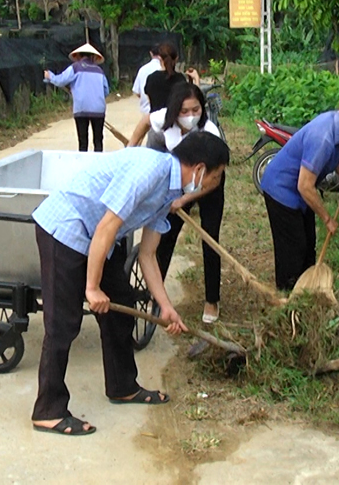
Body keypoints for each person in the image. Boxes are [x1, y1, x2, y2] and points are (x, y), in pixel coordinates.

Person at [30, 132, 230, 436]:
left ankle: (122, 386)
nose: (215, 183)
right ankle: (48, 410)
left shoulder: (168, 191)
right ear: (200, 169)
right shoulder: (150, 171)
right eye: (217, 175)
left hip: (97, 239)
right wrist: (92, 287)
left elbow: (148, 255)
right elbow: (107, 226)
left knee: (121, 306)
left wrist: (166, 307)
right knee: (63, 322)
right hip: (67, 228)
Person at [259, 82, 339, 290]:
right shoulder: (323, 137)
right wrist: (327, 219)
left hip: (300, 189)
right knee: (292, 249)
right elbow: (305, 186)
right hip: (281, 189)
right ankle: (287, 297)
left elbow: (334, 154)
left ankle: (307, 291)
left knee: (308, 244)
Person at [127, 83, 225, 323]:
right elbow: (144, 122)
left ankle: (212, 300)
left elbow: (214, 180)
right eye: (184, 111)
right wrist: (131, 149)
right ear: (174, 110)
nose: (191, 116)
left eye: (196, 110)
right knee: (164, 235)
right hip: (181, 180)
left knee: (210, 239)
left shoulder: (209, 132)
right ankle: (155, 292)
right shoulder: (164, 120)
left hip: (207, 184)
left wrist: (184, 200)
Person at [44, 43, 110, 152]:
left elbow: (61, 80)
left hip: (81, 109)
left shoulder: (75, 68)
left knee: (83, 141)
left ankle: (83, 164)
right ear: (93, 57)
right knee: (98, 141)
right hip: (98, 110)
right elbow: (106, 91)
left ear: (78, 56)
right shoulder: (99, 71)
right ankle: (99, 163)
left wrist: (50, 76)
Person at [142, 42, 199, 115]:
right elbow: (192, 99)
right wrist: (196, 79)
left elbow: (150, 101)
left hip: (156, 121)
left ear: (159, 58)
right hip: (174, 120)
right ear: (176, 59)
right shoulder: (180, 78)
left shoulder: (151, 78)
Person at [131, 44, 163, 115]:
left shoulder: (142, 69)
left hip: (146, 110)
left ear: (151, 53)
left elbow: (137, 92)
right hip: (162, 110)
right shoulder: (163, 68)